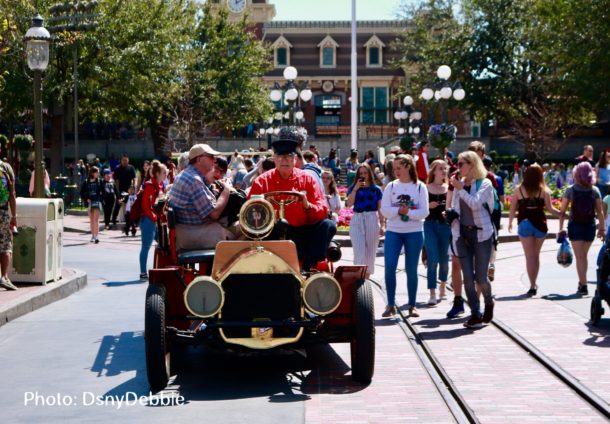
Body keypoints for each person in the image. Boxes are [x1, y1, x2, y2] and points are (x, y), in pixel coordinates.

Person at [249, 127, 336, 271]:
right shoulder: (262, 181)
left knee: (328, 225)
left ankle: (308, 266)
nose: (285, 160)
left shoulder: (308, 179)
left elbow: (322, 211)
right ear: (274, 159)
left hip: (302, 231)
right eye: (281, 157)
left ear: (295, 159)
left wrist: (307, 205)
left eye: (289, 156)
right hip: (272, 232)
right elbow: (250, 212)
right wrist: (264, 207)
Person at [449, 151, 496, 328]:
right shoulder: (458, 185)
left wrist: (460, 189)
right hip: (462, 234)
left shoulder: (485, 184)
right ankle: (475, 312)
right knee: (467, 277)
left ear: (472, 165)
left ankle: (489, 302)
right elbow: (456, 206)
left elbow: (476, 204)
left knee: (481, 278)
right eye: (457, 164)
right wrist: (452, 215)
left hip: (482, 234)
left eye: (461, 164)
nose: (458, 167)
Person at [381, 154, 429, 318]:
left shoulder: (420, 187)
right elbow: (384, 210)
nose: (396, 171)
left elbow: (424, 211)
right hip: (394, 231)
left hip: (414, 232)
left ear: (408, 166)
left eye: (399, 168)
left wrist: (408, 211)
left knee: (411, 270)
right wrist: (397, 211)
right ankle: (390, 303)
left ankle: (412, 304)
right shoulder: (391, 186)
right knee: (389, 267)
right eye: (394, 169)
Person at [168, 144, 234, 250]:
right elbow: (214, 214)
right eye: (211, 157)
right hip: (194, 233)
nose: (214, 160)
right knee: (243, 236)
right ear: (199, 159)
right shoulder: (194, 180)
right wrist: (227, 189)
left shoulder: (188, 174)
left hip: (188, 231)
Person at [508, 164, 561, 296]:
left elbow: (513, 208)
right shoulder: (544, 191)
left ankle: (532, 285)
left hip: (524, 223)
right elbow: (550, 209)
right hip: (540, 225)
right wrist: (563, 214)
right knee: (536, 255)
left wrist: (510, 222)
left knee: (529, 256)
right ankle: (533, 283)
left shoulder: (518, 190)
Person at [558, 162, 605, 295]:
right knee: (583, 256)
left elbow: (562, 212)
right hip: (589, 226)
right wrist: (602, 229)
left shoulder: (571, 190)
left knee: (580, 257)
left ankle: (583, 284)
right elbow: (600, 212)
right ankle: (582, 282)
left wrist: (561, 228)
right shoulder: (594, 190)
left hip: (575, 226)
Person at [345, 163, 383, 279]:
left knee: (371, 252)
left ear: (369, 174)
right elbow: (348, 205)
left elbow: (380, 208)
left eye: (365, 173)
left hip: (371, 218)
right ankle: (358, 277)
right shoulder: (353, 188)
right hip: (357, 218)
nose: (363, 176)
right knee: (359, 251)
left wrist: (383, 225)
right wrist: (355, 189)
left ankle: (366, 279)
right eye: (360, 173)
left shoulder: (376, 189)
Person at [424, 160, 451, 305]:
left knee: (445, 261)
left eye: (445, 169)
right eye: (441, 169)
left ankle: (442, 286)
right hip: (429, 225)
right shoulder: (425, 188)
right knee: (433, 259)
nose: (444, 171)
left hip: (445, 226)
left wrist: (449, 212)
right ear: (434, 171)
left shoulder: (449, 188)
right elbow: (418, 208)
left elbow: (454, 207)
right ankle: (432, 292)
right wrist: (428, 205)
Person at [139, 160, 166, 280]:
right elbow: (146, 206)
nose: (166, 175)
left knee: (164, 244)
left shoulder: (159, 185)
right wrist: (155, 218)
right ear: (158, 173)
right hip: (148, 221)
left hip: (155, 221)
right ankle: (143, 272)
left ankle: (162, 267)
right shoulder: (150, 186)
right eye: (164, 173)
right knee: (146, 246)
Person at [0, 150, 18, 290]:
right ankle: (4, 277)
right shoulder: (6, 168)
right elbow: (12, 193)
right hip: (3, 212)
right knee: (6, 244)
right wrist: (14, 216)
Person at [80, 166, 102, 243]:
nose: (98, 174)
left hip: (96, 201)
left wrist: (100, 199)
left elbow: (102, 192)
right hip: (89, 203)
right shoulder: (86, 182)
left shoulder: (99, 181)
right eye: (97, 172)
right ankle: (92, 235)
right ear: (93, 173)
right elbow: (82, 193)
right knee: (91, 220)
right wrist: (86, 199)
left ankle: (96, 236)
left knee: (96, 219)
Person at [112, 155, 137, 225]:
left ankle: (129, 220)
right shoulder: (117, 168)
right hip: (121, 191)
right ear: (121, 160)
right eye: (123, 160)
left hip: (129, 190)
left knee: (129, 206)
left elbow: (133, 179)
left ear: (128, 160)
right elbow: (116, 181)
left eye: (126, 160)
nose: (125, 162)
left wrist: (133, 188)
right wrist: (118, 192)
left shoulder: (131, 168)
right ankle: (113, 219)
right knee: (119, 204)